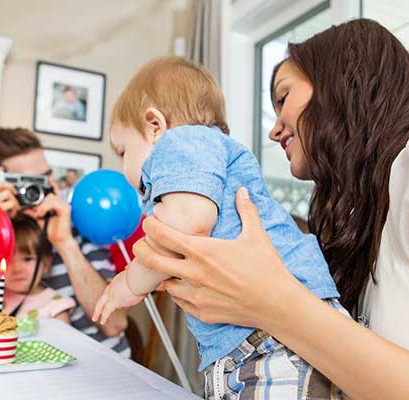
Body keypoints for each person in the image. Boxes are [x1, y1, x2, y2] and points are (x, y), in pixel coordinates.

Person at [133, 19, 409, 399]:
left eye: (284, 97)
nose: (273, 130)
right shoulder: (375, 228)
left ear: (345, 81)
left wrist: (276, 304)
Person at [93, 57, 347, 399]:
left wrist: (129, 282)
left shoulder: (182, 142)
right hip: (255, 340)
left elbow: (186, 223)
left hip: (273, 341)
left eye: (123, 150)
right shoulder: (203, 154)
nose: (124, 167)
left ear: (155, 126)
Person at [0, 127, 130, 357]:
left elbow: (114, 324)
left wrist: (65, 242)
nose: (39, 190)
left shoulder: (82, 228)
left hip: (101, 367)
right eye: (26, 182)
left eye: (45, 177)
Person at [2, 214, 75, 323]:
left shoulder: (56, 305)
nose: (17, 269)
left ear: (45, 264)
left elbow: (62, 339)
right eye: (8, 261)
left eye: (27, 259)